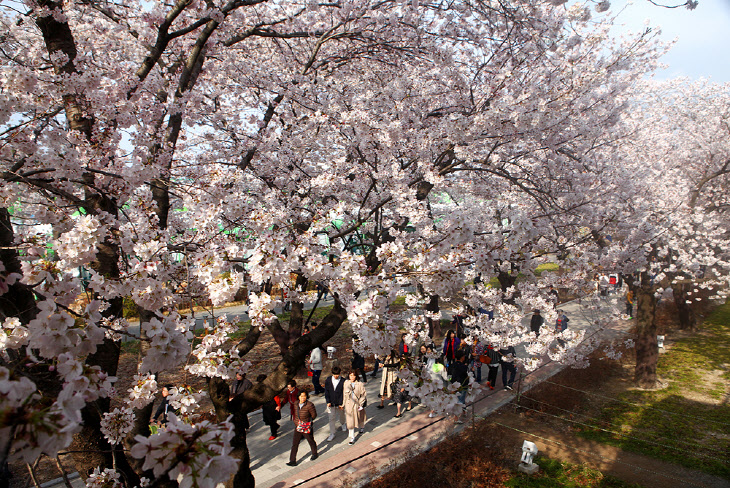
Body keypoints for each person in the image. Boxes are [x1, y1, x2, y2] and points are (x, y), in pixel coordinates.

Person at [286, 391, 318, 466]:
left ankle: (314, 453)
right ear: (298, 397)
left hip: (306, 426)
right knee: (295, 443)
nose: (303, 398)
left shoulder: (309, 405)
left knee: (310, 440)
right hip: (298, 426)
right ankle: (292, 460)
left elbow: (314, 415)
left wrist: (307, 421)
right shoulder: (296, 404)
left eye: (304, 396)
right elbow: (295, 414)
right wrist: (296, 422)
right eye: (301, 396)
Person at [343, 370, 367, 445]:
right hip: (348, 404)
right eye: (350, 375)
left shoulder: (359, 384)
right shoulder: (346, 383)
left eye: (353, 375)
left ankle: (362, 427)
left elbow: (363, 394)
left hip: (357, 404)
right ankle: (352, 437)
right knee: (350, 421)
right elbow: (344, 394)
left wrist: (361, 404)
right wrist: (343, 404)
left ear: (356, 376)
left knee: (360, 417)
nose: (352, 377)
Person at [256, 374, 281, 440]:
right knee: (267, 420)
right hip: (266, 405)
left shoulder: (271, 387)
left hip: (272, 405)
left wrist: (278, 405)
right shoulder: (260, 388)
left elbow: (276, 397)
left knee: (272, 420)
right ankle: (275, 426)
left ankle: (274, 433)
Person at [324, 366, 346, 441]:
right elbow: (326, 391)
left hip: (340, 403)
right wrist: (328, 401)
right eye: (334, 374)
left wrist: (341, 403)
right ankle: (332, 433)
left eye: (337, 374)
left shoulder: (343, 381)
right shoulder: (328, 380)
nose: (336, 376)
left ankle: (343, 424)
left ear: (340, 373)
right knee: (331, 418)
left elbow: (344, 393)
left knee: (342, 415)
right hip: (331, 403)